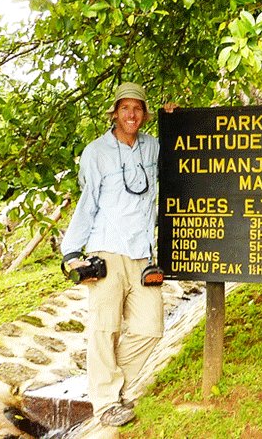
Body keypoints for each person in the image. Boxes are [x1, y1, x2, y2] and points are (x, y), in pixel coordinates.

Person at [60, 82, 176, 427]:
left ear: (145, 115)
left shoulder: (152, 146)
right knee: (104, 329)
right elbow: (88, 202)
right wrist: (71, 250)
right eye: (125, 108)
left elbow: (180, 150)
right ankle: (107, 402)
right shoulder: (96, 152)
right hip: (106, 249)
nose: (132, 115)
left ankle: (112, 386)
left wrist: (175, 122)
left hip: (142, 253)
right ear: (115, 112)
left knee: (150, 328)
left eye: (138, 109)